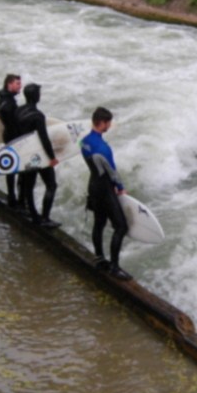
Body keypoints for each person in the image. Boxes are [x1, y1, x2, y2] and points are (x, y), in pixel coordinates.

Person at [81, 107, 131, 280]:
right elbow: (112, 171)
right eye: (108, 122)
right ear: (102, 123)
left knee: (99, 223)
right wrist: (120, 186)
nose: (109, 125)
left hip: (93, 186)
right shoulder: (103, 148)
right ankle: (115, 268)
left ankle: (100, 258)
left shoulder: (84, 141)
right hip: (104, 189)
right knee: (121, 226)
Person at [15, 83, 60, 228]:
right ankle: (45, 218)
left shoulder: (18, 111)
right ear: (36, 96)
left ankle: (33, 214)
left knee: (28, 185)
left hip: (24, 153)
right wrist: (52, 157)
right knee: (51, 185)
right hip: (39, 155)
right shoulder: (38, 116)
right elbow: (44, 138)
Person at [0, 73, 23, 208]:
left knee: (13, 168)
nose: (20, 86)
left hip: (9, 135)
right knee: (15, 169)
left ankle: (13, 196)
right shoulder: (7, 101)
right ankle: (13, 198)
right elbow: (11, 117)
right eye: (18, 83)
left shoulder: (5, 98)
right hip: (13, 136)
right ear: (9, 84)